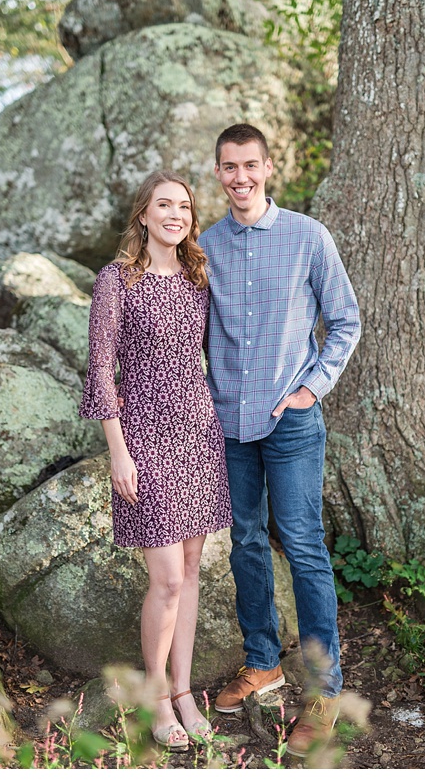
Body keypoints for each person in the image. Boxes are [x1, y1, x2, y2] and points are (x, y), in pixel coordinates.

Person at [198, 123, 361, 758]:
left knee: (302, 543)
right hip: (228, 422)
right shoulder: (206, 247)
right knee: (244, 541)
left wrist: (312, 388)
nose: (240, 177)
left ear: (268, 169)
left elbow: (345, 318)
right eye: (228, 167)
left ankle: (323, 693)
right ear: (218, 173)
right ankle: (262, 664)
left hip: (291, 418)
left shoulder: (306, 236)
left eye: (250, 166)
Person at [81, 170, 233, 752]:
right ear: (143, 214)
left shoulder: (199, 278)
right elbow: (100, 370)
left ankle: (184, 691)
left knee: (192, 572)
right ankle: (156, 695)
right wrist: (117, 449)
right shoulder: (115, 280)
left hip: (199, 434)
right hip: (144, 438)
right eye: (163, 204)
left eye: (185, 206)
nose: (176, 213)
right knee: (166, 579)